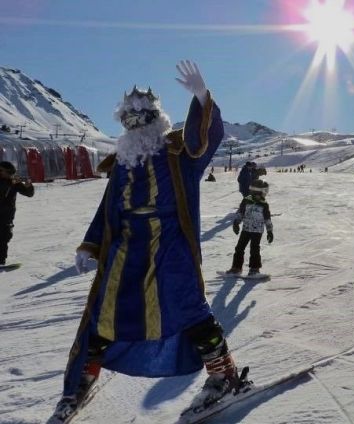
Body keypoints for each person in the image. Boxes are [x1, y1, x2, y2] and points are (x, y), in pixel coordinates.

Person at [51, 61, 245, 422]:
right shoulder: (122, 163)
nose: (135, 123)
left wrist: (202, 96)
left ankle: (224, 376)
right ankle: (81, 383)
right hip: (126, 249)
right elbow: (107, 210)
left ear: (156, 118)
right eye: (129, 117)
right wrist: (89, 245)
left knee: (189, 310)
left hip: (170, 246)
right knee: (103, 313)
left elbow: (205, 139)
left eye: (142, 116)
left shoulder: (177, 155)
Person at [227, 179, 273, 278]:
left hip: (257, 231)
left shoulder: (264, 204)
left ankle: (254, 269)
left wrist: (270, 231)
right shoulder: (246, 200)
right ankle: (236, 268)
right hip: (246, 229)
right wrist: (236, 222)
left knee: (254, 249)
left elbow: (267, 219)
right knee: (239, 248)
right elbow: (241, 212)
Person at [0, 161, 34, 265]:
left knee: (4, 236)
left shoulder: (14, 182)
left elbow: (29, 194)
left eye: (1, 170)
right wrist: (11, 183)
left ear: (8, 172)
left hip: (6, 214)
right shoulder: (9, 182)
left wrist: (28, 186)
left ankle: (1, 261)